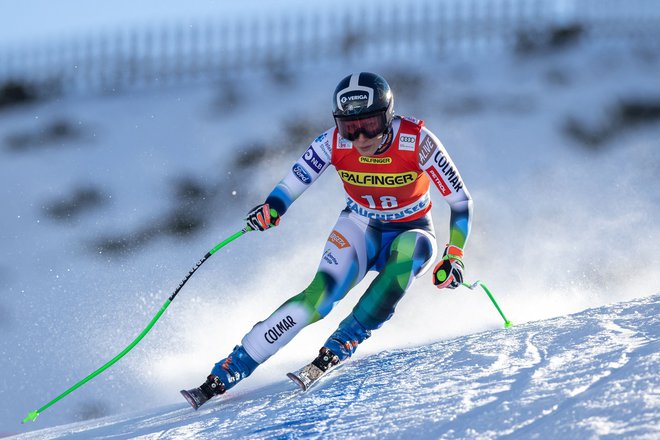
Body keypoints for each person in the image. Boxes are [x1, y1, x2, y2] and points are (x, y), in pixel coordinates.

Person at [181, 72, 473, 409]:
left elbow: (461, 201)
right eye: (350, 127)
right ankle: (233, 366)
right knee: (318, 298)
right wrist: (273, 207)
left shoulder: (417, 141)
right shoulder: (332, 142)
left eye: (371, 124)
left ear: (388, 116)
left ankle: (341, 344)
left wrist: (455, 254)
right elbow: (295, 181)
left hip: (413, 229)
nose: (360, 137)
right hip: (360, 225)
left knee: (407, 256)